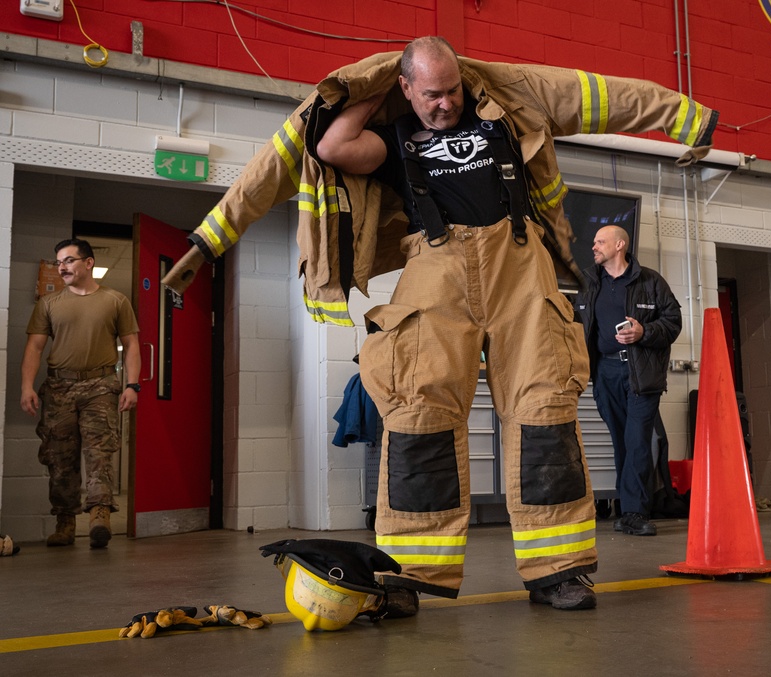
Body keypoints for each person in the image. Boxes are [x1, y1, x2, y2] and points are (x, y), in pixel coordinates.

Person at [161, 36, 718, 615]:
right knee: (419, 414)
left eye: (452, 89)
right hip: (435, 267)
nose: (445, 103)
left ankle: (560, 572)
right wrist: (369, 89)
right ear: (405, 87)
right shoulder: (390, 137)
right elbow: (325, 145)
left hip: (519, 263)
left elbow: (601, 95)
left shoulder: (508, 98)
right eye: (430, 94)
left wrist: (687, 119)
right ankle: (411, 576)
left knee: (544, 408)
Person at [20, 238, 141, 548]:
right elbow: (34, 346)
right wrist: (26, 387)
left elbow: (131, 345)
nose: (62, 266)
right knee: (60, 459)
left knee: (99, 452)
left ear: (88, 263)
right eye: (59, 261)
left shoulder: (115, 301)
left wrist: (132, 384)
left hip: (101, 385)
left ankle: (100, 513)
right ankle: (65, 522)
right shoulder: (48, 304)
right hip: (59, 387)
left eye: (69, 260)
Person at [574, 226, 681, 536]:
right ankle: (627, 509)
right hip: (604, 374)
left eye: (600, 242)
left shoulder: (649, 281)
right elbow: (574, 323)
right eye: (593, 241)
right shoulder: (589, 282)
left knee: (636, 441)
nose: (593, 246)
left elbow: (673, 321)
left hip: (640, 373)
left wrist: (644, 332)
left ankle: (634, 511)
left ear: (619, 245)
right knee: (622, 442)